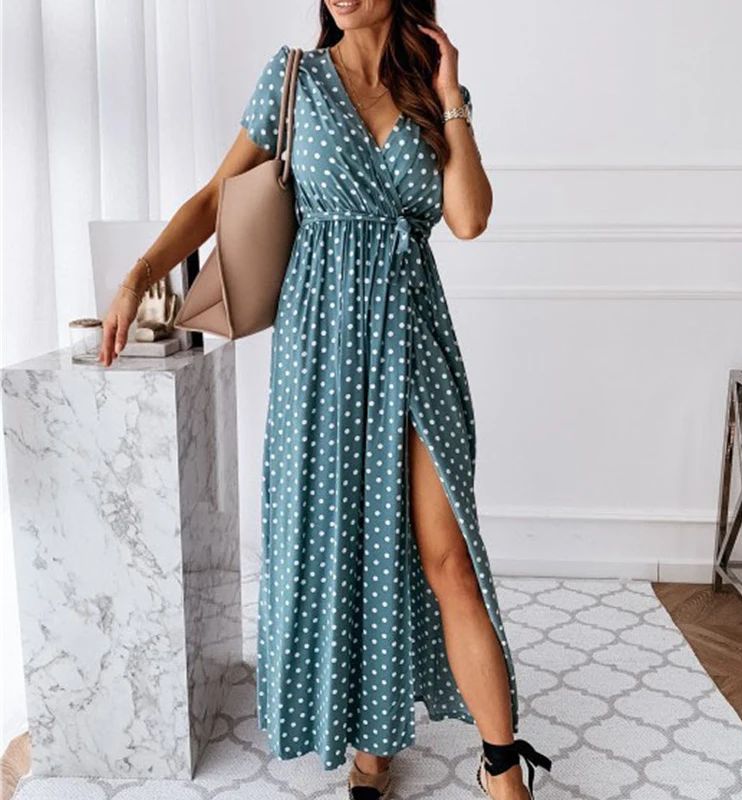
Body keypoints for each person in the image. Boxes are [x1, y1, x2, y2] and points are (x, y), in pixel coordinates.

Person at [97, 2, 552, 798]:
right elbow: (216, 196)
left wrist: (451, 92)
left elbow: (470, 218)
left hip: (414, 342)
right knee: (345, 550)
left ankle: (501, 765)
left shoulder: (432, 91)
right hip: (320, 352)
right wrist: (140, 274)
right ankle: (371, 750)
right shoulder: (294, 78)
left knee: (448, 559)